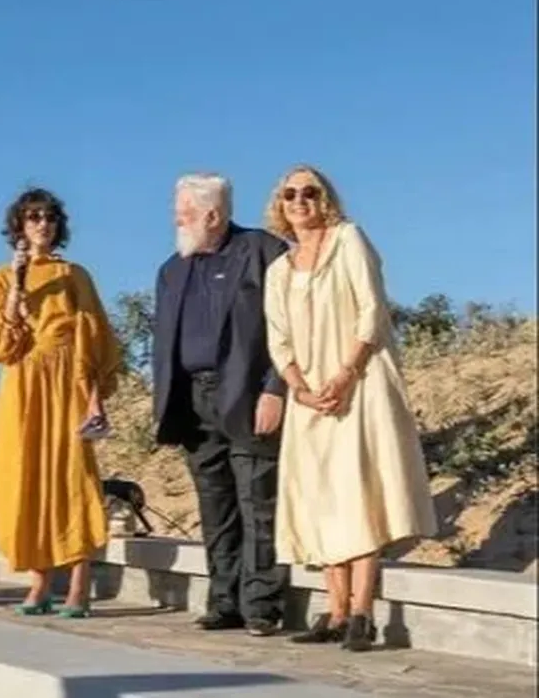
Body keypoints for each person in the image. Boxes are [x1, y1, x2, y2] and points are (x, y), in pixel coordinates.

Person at [262, 165, 438, 651]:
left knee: (357, 492)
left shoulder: (349, 239)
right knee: (320, 497)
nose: (300, 200)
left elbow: (372, 311)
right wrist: (298, 386)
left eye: (309, 192)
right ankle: (334, 609)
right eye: (290, 193)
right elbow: (278, 339)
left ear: (325, 198)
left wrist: (344, 374)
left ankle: (362, 611)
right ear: (280, 203)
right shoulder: (280, 269)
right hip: (309, 396)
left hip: (357, 384)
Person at [0, 188, 122, 618]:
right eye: (33, 216)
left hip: (67, 379)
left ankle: (79, 581)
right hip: (23, 381)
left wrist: (94, 395)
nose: (42, 224)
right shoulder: (3, 278)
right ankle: (39, 581)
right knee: (27, 476)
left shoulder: (75, 275)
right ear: (19, 225)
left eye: (49, 217)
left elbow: (95, 338)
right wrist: (17, 292)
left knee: (72, 477)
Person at [152, 172, 290, 637]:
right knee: (215, 506)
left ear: (213, 215)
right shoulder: (172, 269)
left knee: (257, 501)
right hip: (193, 401)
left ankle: (262, 606)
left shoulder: (264, 253)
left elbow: (291, 331)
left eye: (186, 211)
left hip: (250, 395)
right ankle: (223, 600)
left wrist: (276, 389)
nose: (177, 218)